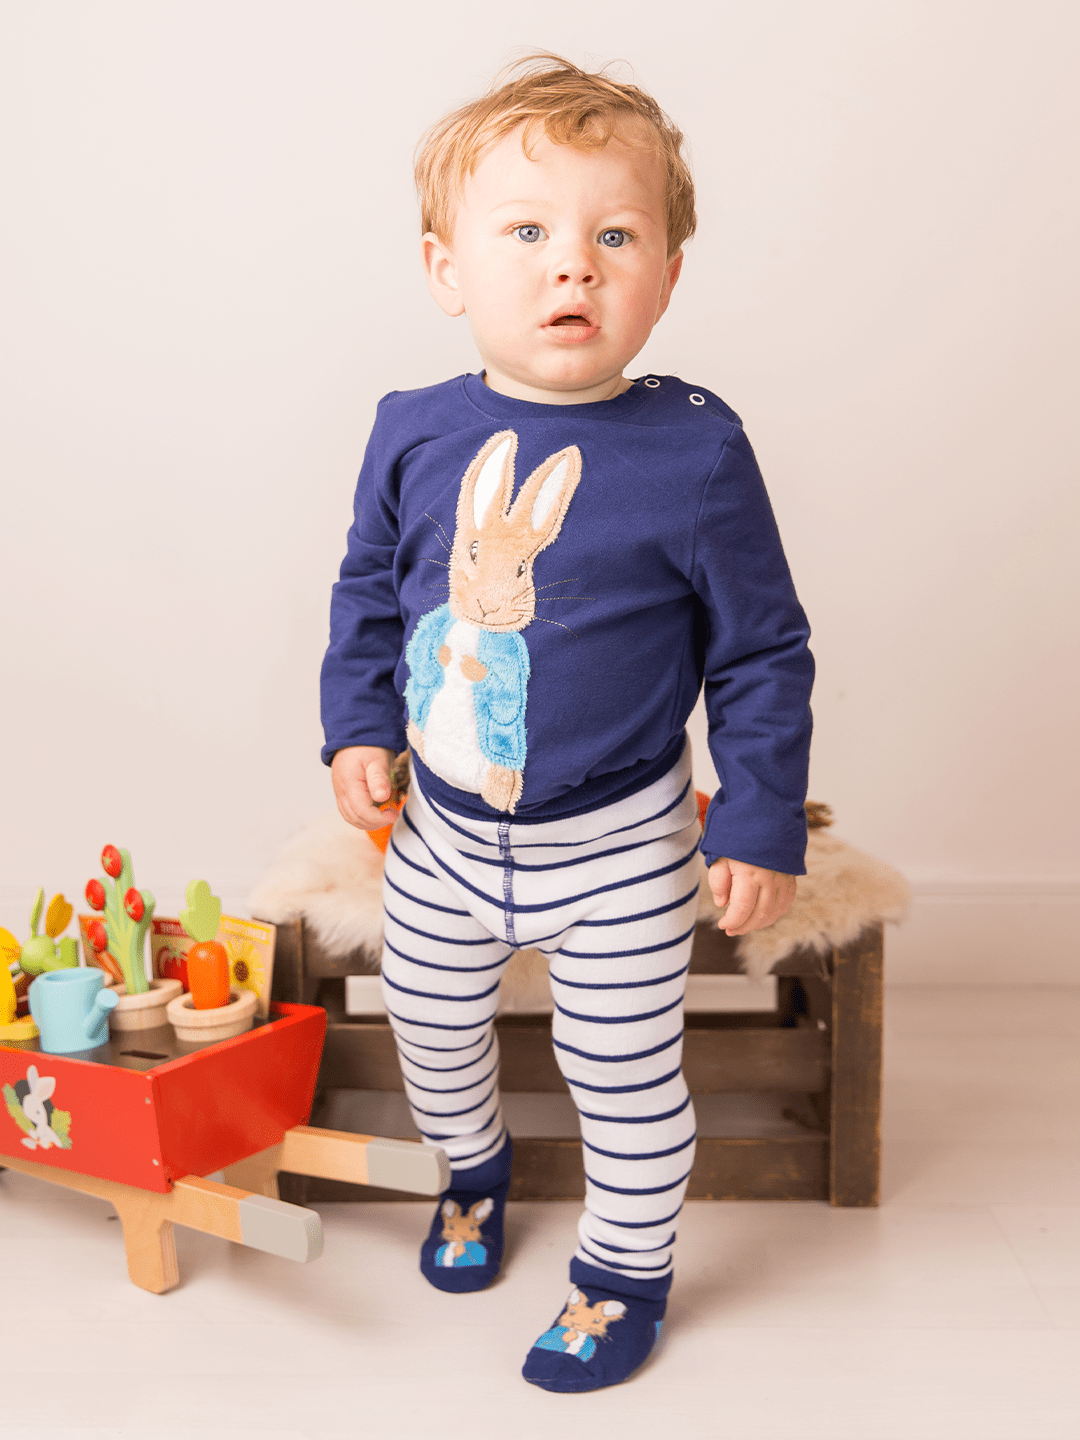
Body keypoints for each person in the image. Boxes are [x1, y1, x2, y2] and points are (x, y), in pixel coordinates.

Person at [320, 53, 814, 1393]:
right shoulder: (413, 431)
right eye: (528, 233)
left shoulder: (698, 452)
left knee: (624, 1072)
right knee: (430, 1027)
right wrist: (357, 726)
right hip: (444, 834)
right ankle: (472, 1170)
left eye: (616, 237)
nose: (573, 268)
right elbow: (368, 591)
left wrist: (761, 815)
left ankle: (620, 1276)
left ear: (668, 274)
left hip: (619, 846)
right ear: (447, 269)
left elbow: (763, 650)